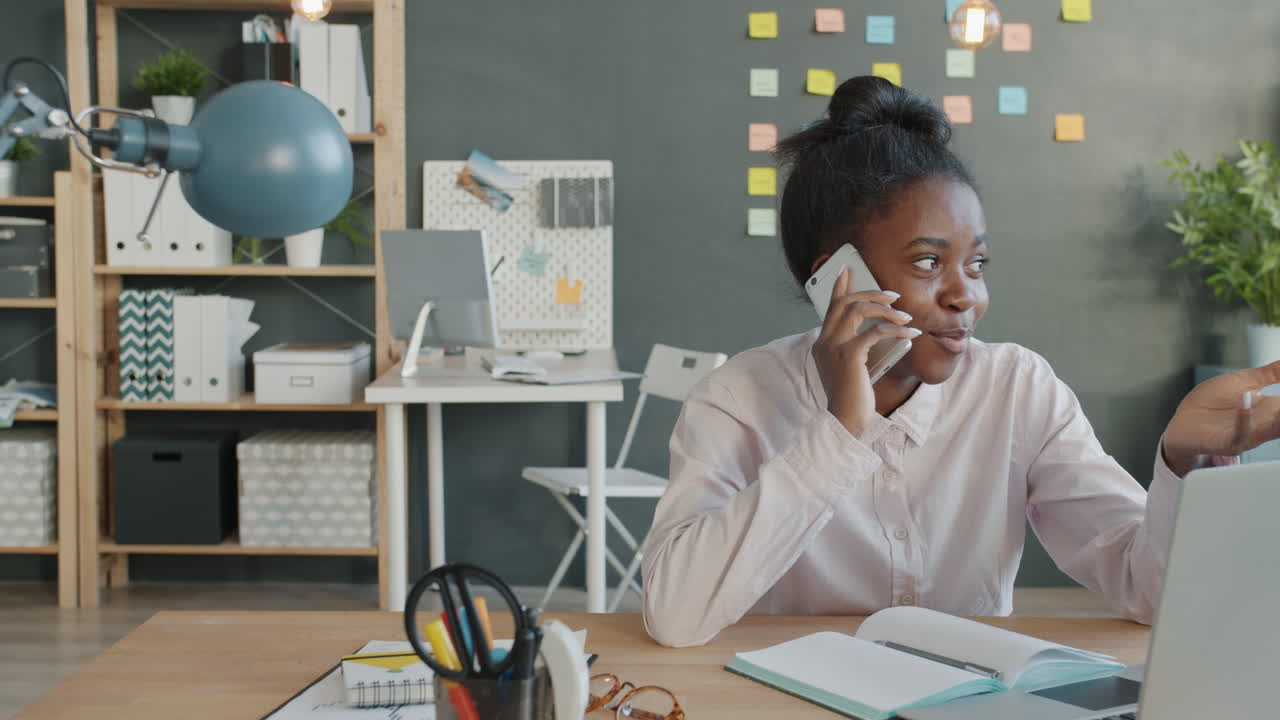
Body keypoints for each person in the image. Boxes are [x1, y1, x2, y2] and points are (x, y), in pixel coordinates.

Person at [640, 76, 1280, 648]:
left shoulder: (1017, 389)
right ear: (837, 279)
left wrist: (1182, 460)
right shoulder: (737, 400)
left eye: (976, 264)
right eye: (928, 262)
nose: (965, 294)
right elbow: (674, 616)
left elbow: (1146, 592)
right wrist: (837, 433)